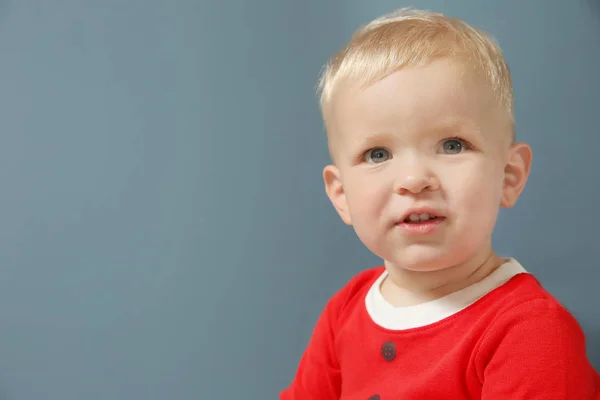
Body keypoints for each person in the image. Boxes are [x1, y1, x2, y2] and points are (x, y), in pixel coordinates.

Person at [280, 8, 600, 400]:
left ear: (509, 176)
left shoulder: (530, 334)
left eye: (452, 145)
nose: (414, 179)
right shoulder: (346, 310)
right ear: (342, 195)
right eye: (378, 154)